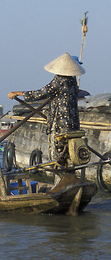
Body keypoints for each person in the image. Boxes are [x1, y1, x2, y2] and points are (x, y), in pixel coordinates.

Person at [8, 52, 85, 182]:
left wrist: (18, 93)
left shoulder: (59, 81)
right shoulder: (72, 82)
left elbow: (40, 93)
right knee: (69, 155)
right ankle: (69, 179)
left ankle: (61, 182)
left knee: (59, 155)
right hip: (73, 124)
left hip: (61, 125)